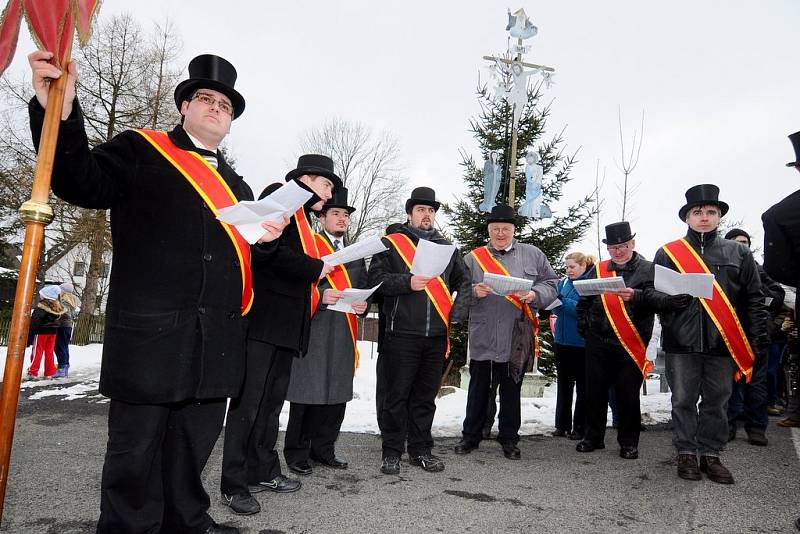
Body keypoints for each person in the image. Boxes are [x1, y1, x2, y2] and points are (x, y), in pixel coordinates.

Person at [28, 50, 287, 533]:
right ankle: (129, 527)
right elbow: (79, 180)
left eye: (225, 106)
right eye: (205, 99)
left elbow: (241, 260)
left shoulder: (236, 185)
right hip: (152, 335)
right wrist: (57, 113)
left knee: (194, 442)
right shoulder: (140, 149)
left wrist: (267, 244)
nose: (216, 108)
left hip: (216, 340)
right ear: (184, 106)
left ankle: (186, 519)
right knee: (136, 448)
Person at [220, 155, 337, 515]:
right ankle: (234, 483)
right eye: (327, 185)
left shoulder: (304, 220)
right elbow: (269, 254)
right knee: (248, 405)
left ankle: (263, 470)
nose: (330, 195)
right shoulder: (279, 197)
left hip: (286, 326)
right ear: (307, 179)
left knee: (271, 407)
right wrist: (319, 267)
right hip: (264, 322)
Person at [654, 184, 767, 485]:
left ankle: (712, 454)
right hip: (682, 343)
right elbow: (652, 295)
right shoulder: (668, 252)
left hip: (724, 342)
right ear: (687, 217)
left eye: (710, 212)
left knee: (717, 401)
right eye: (697, 212)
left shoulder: (740, 253)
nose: (704, 217)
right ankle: (687, 452)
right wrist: (668, 302)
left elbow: (754, 300)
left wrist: (757, 342)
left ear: (719, 217)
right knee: (683, 400)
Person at [368, 186, 471, 474]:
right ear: (410, 214)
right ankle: (391, 451)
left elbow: (465, 283)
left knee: (426, 397)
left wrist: (456, 316)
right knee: (396, 395)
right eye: (421, 210)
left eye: (431, 211)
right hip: (401, 334)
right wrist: (406, 282)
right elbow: (374, 281)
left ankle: (421, 449)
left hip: (436, 336)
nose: (426, 215)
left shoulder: (447, 247)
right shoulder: (391, 244)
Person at [454, 204, 558, 459]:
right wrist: (473, 292)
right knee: (478, 389)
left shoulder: (533, 254)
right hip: (484, 333)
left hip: (516, 336)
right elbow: (455, 290)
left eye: (506, 229)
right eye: (495, 229)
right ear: (489, 231)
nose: (500, 234)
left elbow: (552, 283)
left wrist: (535, 294)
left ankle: (509, 438)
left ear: (514, 230)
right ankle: (471, 436)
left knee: (512, 390)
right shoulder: (473, 257)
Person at [283, 187, 368, 475]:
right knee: (307, 392)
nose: (342, 219)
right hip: (315, 326)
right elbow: (296, 283)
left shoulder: (356, 254)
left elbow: (366, 292)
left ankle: (324, 450)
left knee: (337, 394)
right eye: (336, 213)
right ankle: (297, 453)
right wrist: (323, 295)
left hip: (344, 329)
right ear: (321, 217)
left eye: (345, 214)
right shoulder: (310, 246)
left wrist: (363, 306)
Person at [576, 222, 679, 460]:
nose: (618, 251)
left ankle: (629, 442)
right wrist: (585, 327)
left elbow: (660, 300)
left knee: (627, 395)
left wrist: (637, 297)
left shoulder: (648, 269)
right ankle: (593, 437)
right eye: (613, 247)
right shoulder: (599, 268)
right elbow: (584, 298)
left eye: (622, 246)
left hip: (631, 341)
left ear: (632, 243)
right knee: (595, 392)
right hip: (598, 340)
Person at [723, 228, 784, 446]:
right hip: (730, 335)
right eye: (737, 242)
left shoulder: (758, 270)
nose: (742, 246)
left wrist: (757, 295)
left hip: (757, 335)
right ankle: (728, 426)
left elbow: (778, 295)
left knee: (757, 385)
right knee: (728, 386)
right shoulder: (723, 269)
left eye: (745, 242)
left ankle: (757, 427)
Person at [551, 251, 596, 440]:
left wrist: (561, 300)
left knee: (583, 388)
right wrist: (554, 302)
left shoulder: (588, 284)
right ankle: (561, 425)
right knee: (564, 385)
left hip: (580, 343)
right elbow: (556, 307)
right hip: (561, 341)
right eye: (566, 267)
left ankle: (580, 427)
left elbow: (581, 309)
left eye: (572, 267)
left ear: (583, 265)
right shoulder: (563, 282)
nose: (568, 270)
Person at [27, 284, 65, 379]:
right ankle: (49, 372)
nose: (40, 295)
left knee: (37, 352)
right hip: (52, 333)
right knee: (49, 352)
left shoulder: (40, 307)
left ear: (45, 296)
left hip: (41, 332)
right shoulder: (56, 307)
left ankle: (33, 371)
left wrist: (30, 336)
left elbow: (35, 322)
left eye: (42, 294)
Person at [54, 281, 80, 378]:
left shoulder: (65, 301)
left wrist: (55, 315)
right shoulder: (72, 300)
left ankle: (62, 368)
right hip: (67, 326)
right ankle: (65, 365)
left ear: (64, 291)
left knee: (59, 346)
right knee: (64, 346)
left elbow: (64, 313)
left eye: (60, 289)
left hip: (62, 326)